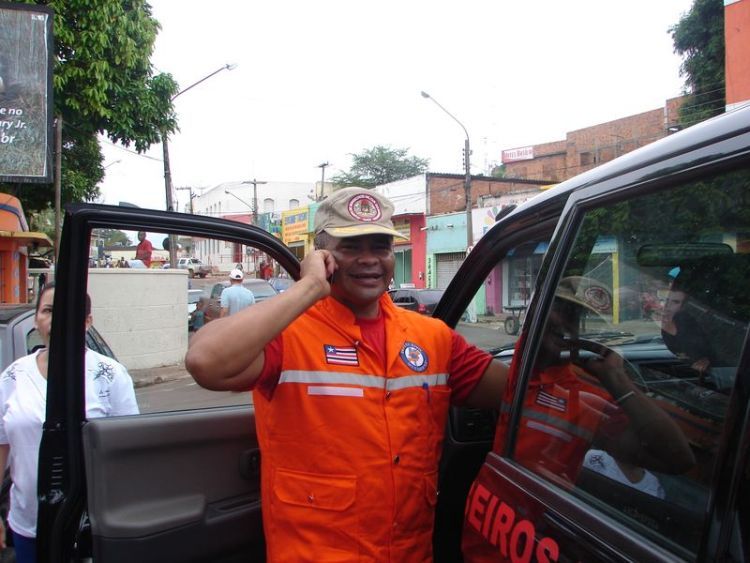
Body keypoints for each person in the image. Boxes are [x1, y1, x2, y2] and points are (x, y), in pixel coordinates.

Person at [185, 187, 508, 561]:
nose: (369, 260)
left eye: (381, 246)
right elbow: (205, 360)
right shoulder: (289, 332)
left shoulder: (431, 337)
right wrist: (308, 287)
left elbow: (520, 390)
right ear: (321, 255)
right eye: (351, 247)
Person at [509, 277, 695, 486]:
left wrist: (615, 378)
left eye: (575, 317)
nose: (564, 322)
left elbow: (678, 460)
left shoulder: (586, 401)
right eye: (559, 308)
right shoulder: (515, 370)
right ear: (535, 311)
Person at [0, 283, 139, 562]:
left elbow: (129, 453)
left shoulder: (109, 375)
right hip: (28, 524)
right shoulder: (14, 375)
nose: (57, 320)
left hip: (89, 526)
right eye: (48, 311)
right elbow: (2, 446)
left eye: (70, 312)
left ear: (87, 322)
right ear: (37, 319)